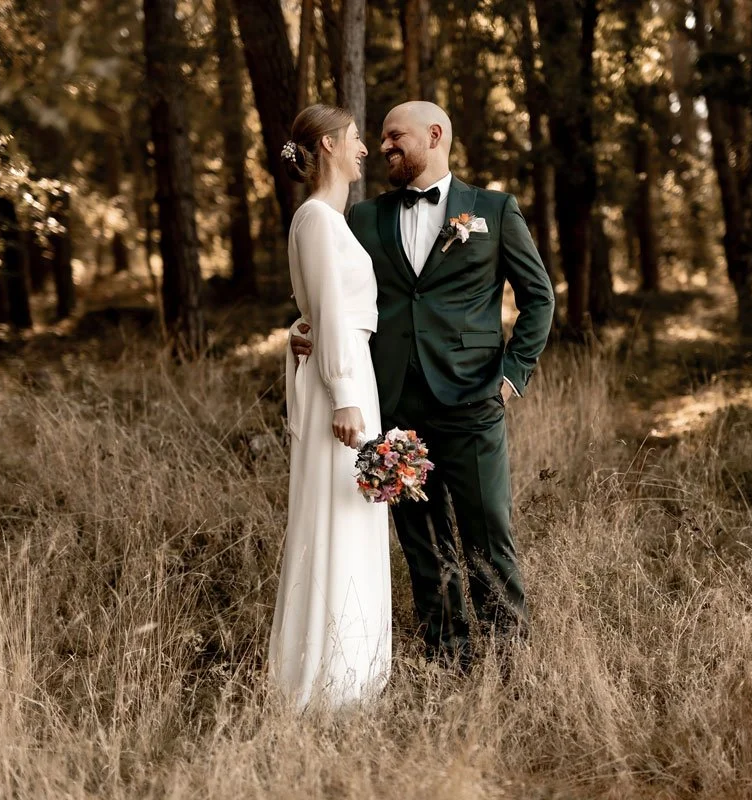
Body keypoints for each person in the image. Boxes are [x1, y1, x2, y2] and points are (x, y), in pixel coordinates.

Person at [291, 101, 555, 669]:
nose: (384, 147)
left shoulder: (493, 210)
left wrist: (512, 376)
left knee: (490, 534)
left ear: (434, 136)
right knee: (421, 543)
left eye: (395, 137)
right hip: (394, 405)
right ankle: (447, 656)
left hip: (472, 401)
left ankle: (507, 660)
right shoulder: (362, 219)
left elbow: (539, 298)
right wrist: (301, 330)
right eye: (379, 138)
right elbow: (330, 293)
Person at [269, 104, 390, 709]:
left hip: (349, 373)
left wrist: (304, 331)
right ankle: (326, 681)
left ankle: (355, 675)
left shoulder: (326, 222)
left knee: (355, 511)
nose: (364, 148)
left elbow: (320, 312)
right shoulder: (316, 219)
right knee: (336, 514)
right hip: (342, 386)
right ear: (326, 147)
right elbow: (331, 314)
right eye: (354, 138)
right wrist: (343, 393)